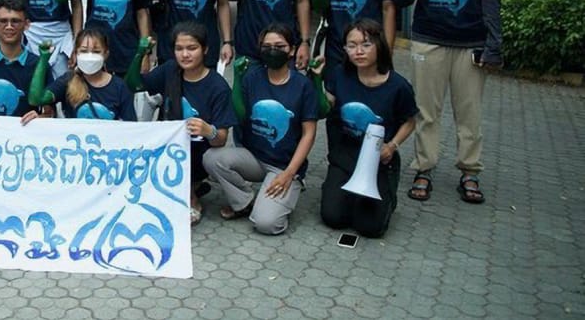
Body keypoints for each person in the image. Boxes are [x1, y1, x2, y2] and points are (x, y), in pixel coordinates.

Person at [394, 0, 502, 204]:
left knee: (469, 113)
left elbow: (491, 4)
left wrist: (493, 47)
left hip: (470, 46)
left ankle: (469, 171)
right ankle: (424, 169)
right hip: (429, 43)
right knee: (427, 112)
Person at [202, 23, 317, 235]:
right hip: (254, 158)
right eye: (267, 46)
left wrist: (290, 173)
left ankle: (286, 190)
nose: (272, 50)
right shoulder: (252, 78)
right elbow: (240, 114)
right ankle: (245, 201)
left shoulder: (303, 85)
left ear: (291, 50)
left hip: (283, 166)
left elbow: (309, 134)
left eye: (279, 46)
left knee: (266, 224)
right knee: (211, 158)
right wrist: (236, 78)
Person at [125, 22, 238, 226]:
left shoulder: (218, 87)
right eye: (179, 49)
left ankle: (193, 193)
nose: (185, 55)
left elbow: (221, 140)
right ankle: (189, 188)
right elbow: (133, 84)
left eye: (192, 48)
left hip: (198, 154)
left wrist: (208, 131)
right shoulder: (170, 70)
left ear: (205, 49)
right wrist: (140, 53)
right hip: (167, 149)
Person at [314, 19, 418, 238]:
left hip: (378, 159)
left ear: (379, 45)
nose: (358, 51)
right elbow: (323, 109)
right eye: (351, 46)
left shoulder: (399, 86)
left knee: (370, 227)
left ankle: (388, 194)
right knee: (333, 217)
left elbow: (409, 122)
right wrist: (315, 80)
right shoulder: (339, 76)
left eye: (366, 44)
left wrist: (393, 145)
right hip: (345, 154)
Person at [27, 29, 137, 121]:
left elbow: (131, 127)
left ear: (106, 54)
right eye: (84, 51)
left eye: (96, 51)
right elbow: (36, 99)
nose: (90, 56)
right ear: (75, 53)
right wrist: (43, 59)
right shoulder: (68, 80)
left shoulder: (119, 86)